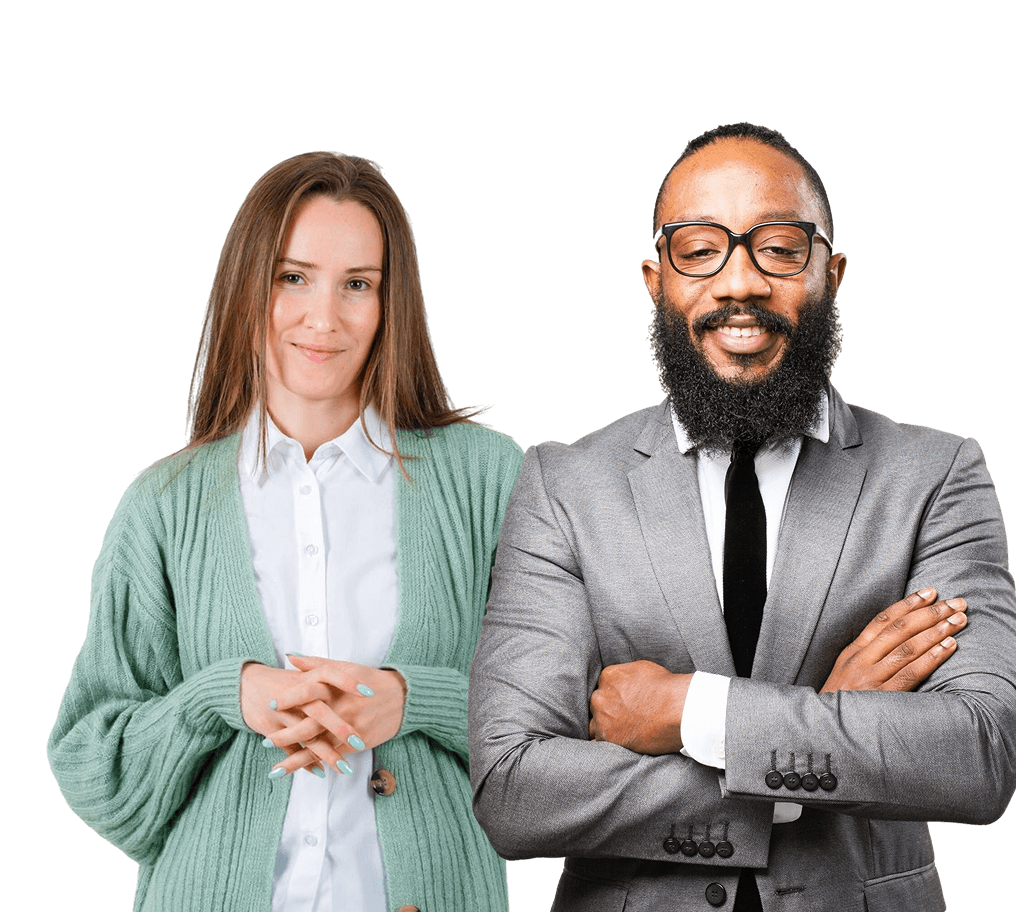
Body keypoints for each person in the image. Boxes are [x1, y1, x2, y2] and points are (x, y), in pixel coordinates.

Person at [468, 123, 1016, 911]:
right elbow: (514, 791)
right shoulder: (563, 484)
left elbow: (979, 754)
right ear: (657, 281)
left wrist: (688, 709)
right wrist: (828, 726)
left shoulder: (936, 475)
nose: (741, 283)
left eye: (780, 248)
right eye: (701, 249)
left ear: (832, 271)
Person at [48, 152, 521, 912]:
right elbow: (93, 768)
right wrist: (220, 697)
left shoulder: (487, 478)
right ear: (246, 286)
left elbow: (570, 716)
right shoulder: (162, 505)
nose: (323, 318)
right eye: (292, 276)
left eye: (357, 285)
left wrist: (410, 701)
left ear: (390, 304)